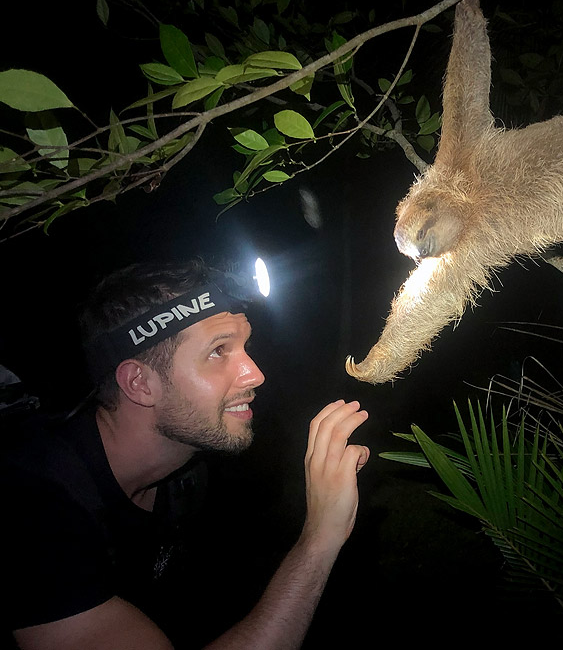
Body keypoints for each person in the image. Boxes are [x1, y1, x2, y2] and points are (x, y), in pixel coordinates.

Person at [1, 260, 370, 650]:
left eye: (245, 348)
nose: (255, 374)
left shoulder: (185, 479)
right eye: (218, 351)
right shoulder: (27, 508)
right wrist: (319, 540)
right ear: (140, 383)